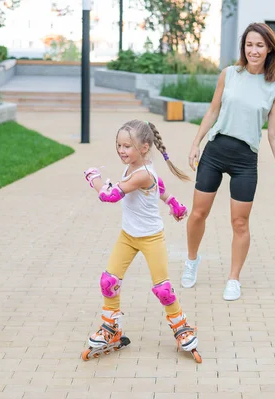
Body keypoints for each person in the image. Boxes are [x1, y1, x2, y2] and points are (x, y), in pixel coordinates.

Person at [181, 22, 275, 301]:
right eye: (249, 44)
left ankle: (233, 278)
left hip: (245, 159)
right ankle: (191, 260)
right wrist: (196, 143)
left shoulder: (274, 88)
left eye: (260, 45)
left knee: (240, 223)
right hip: (216, 151)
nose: (253, 50)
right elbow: (213, 110)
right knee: (198, 214)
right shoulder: (229, 74)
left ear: (269, 50)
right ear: (244, 47)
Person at [81, 119, 202, 363]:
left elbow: (109, 195)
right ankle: (111, 328)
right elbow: (160, 187)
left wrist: (93, 177)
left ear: (144, 147)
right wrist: (172, 202)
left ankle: (181, 327)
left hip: (150, 238)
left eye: (127, 146)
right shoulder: (139, 166)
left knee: (163, 289)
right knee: (108, 281)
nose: (121, 151)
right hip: (128, 236)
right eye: (119, 145)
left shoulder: (142, 173)